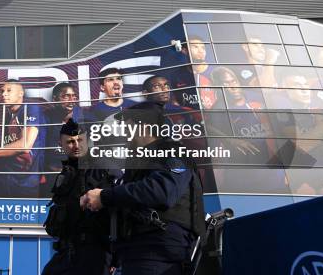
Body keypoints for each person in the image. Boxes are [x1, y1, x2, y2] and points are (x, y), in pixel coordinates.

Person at [81, 102, 206, 275]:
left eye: (127, 126)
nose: (124, 133)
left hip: (158, 253)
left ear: (143, 125)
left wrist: (104, 197)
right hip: (138, 252)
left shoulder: (174, 153)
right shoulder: (140, 162)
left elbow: (163, 191)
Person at [42, 119, 113, 275]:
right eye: (70, 142)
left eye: (80, 140)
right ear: (61, 144)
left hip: (93, 250)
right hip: (67, 249)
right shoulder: (66, 173)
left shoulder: (102, 169)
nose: (76, 145)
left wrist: (114, 256)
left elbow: (115, 211)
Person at [44, 82, 78, 174]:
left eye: (74, 96)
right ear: (55, 99)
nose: (71, 100)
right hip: (52, 173)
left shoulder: (85, 118)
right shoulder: (45, 118)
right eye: (66, 96)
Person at [174, 36, 216, 109]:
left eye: (203, 48)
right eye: (195, 47)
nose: (201, 51)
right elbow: (176, 101)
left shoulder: (216, 71)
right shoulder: (178, 74)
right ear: (184, 51)